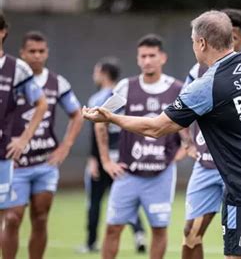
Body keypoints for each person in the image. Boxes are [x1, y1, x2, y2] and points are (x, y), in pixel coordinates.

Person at [83, 10, 241, 259]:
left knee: (238, 256)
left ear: (201, 43)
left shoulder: (206, 85)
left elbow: (156, 128)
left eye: (192, 42)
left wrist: (110, 117)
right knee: (230, 248)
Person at [93, 34, 182, 259]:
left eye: (152, 55)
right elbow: (101, 119)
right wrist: (106, 161)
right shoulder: (126, 87)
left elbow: (189, 125)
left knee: (159, 229)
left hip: (161, 174)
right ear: (137, 59)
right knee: (113, 227)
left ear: (163, 57)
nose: (147, 60)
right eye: (143, 56)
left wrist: (186, 149)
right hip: (128, 173)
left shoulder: (177, 89)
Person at [2, 31, 83, 259]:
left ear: (47, 53)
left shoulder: (57, 83)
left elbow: (77, 115)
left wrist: (65, 146)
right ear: (22, 54)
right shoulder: (10, 79)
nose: (37, 56)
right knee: (12, 217)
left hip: (44, 163)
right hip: (15, 163)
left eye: (41, 51)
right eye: (32, 52)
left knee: (40, 217)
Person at [181, 8, 241, 259]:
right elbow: (181, 109)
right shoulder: (197, 71)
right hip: (207, 166)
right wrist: (187, 142)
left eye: (231, 34)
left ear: (239, 38)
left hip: (239, 170)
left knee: (238, 244)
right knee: (190, 233)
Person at [77, 57, 146, 254]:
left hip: (103, 157)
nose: (94, 74)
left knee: (95, 201)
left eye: (96, 70)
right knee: (129, 199)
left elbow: (96, 130)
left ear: (104, 74)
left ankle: (90, 242)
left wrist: (93, 159)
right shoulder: (127, 95)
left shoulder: (98, 100)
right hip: (125, 156)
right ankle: (139, 234)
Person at [0, 15, 48, 250]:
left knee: (5, 218)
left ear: (3, 32)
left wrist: (24, 140)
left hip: (3, 156)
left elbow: (41, 104)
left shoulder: (16, 68)